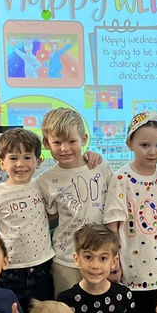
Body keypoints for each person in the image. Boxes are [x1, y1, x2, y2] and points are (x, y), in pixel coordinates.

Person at [104, 111, 157, 313]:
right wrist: (113, 262)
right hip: (131, 265)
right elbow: (113, 226)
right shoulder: (121, 178)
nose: (152, 151)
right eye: (145, 144)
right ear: (130, 143)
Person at [0, 128, 54, 313]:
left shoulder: (41, 185)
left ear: (38, 161)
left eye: (27, 157)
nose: (20, 164)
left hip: (43, 269)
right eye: (13, 158)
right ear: (2, 163)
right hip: (10, 270)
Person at [38, 107, 114, 295]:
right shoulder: (44, 181)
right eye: (57, 142)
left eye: (72, 141)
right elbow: (51, 216)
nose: (65, 148)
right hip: (66, 259)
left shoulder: (100, 165)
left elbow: (114, 206)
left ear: (84, 139)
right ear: (46, 143)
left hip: (101, 256)